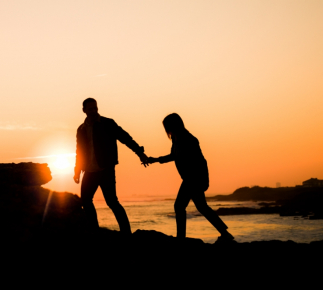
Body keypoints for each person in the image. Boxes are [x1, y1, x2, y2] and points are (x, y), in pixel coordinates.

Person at [144, 113, 235, 243]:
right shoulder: (176, 139)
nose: (166, 130)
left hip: (194, 178)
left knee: (180, 206)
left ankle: (181, 238)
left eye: (167, 126)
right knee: (201, 207)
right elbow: (173, 156)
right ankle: (224, 233)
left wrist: (202, 181)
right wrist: (155, 160)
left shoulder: (189, 139)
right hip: (189, 178)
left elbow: (201, 161)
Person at [73, 98, 148, 236]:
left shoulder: (107, 123)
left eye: (95, 108)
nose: (94, 111)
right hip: (89, 171)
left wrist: (140, 153)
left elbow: (125, 138)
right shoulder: (81, 129)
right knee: (86, 201)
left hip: (105, 170)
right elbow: (79, 152)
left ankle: (126, 233)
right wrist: (77, 171)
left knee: (112, 202)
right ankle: (94, 231)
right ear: (84, 110)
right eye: (90, 109)